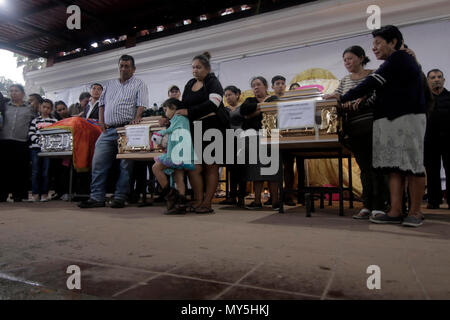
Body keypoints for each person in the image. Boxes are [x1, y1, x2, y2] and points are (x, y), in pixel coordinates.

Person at [327, 25, 427, 227]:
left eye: (378, 43)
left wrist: (343, 97)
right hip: (389, 120)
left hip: (407, 118)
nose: (374, 48)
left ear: (394, 42)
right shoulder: (392, 63)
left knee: (413, 166)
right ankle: (395, 211)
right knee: (394, 168)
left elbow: (370, 82)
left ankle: (415, 212)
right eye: (373, 44)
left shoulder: (400, 58)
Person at [78, 54, 149, 209]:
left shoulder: (139, 84)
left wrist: (137, 117)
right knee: (98, 163)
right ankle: (97, 197)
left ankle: (120, 197)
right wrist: (101, 122)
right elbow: (102, 104)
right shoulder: (109, 84)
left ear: (133, 68)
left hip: (127, 130)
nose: (123, 69)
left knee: (126, 166)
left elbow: (141, 104)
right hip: (108, 130)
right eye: (121, 66)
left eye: (127, 66)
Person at [326, 45, 389, 219]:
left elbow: (381, 94)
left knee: (378, 166)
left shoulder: (373, 74)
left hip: (374, 123)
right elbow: (337, 99)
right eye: (345, 60)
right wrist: (335, 102)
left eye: (350, 58)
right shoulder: (345, 80)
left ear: (361, 58)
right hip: (354, 127)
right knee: (364, 168)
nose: (347, 62)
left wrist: (361, 102)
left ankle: (380, 206)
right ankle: (367, 205)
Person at [177, 52, 227, 214]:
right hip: (194, 129)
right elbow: (183, 105)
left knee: (211, 167)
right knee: (194, 167)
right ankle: (198, 200)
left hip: (212, 128)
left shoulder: (213, 82)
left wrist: (189, 112)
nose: (195, 70)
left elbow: (213, 104)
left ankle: (207, 202)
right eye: (193, 67)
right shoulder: (189, 83)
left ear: (207, 68)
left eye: (198, 67)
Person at [240, 76, 280, 210]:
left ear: (266, 86)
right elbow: (243, 112)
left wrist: (252, 113)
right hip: (253, 137)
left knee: (273, 169)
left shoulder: (273, 99)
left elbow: (274, 111)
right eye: (253, 85)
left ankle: (275, 201)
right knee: (256, 170)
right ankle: (257, 201)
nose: (256, 87)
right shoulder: (249, 100)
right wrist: (263, 108)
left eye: (258, 84)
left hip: (270, 137)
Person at [152, 98, 195, 214]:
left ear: (173, 108)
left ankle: (172, 195)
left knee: (156, 168)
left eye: (166, 110)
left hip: (176, 152)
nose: (165, 113)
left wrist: (161, 133)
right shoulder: (181, 119)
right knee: (178, 177)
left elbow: (174, 130)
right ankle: (180, 203)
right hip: (180, 151)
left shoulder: (179, 118)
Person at [0, 84, 38, 202]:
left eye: (16, 91)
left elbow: (35, 122)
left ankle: (19, 194)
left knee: (20, 169)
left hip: (22, 142)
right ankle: (2, 195)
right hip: (5, 140)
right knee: (4, 169)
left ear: (22, 93)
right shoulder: (5, 106)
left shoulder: (30, 108)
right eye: (11, 91)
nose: (13, 93)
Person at [425, 69, 450, 209]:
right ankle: (434, 201)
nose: (436, 80)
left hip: (448, 140)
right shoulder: (424, 100)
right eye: (433, 77)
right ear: (428, 81)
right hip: (430, 140)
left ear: (444, 80)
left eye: (439, 77)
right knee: (432, 171)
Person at [271, 75, 296, 206]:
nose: (280, 85)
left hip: (288, 135)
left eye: (282, 83)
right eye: (277, 83)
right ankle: (273, 195)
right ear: (272, 87)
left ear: (285, 86)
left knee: (288, 165)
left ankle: (288, 194)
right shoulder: (269, 100)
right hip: (273, 135)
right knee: (273, 166)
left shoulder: (291, 99)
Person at [219, 85, 246, 207]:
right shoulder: (224, 109)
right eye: (226, 95)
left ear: (237, 94)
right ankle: (232, 196)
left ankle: (241, 197)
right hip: (228, 141)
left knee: (241, 169)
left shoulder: (243, 108)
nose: (228, 97)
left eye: (230, 94)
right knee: (231, 169)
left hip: (241, 140)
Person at [28, 99, 58, 202]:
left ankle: (44, 194)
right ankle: (35, 193)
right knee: (35, 171)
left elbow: (56, 134)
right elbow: (31, 134)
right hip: (36, 149)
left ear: (51, 109)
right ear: (40, 107)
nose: (45, 109)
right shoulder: (35, 121)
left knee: (46, 172)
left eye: (48, 108)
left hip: (48, 150)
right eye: (44, 107)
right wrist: (38, 141)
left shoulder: (54, 121)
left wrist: (48, 143)